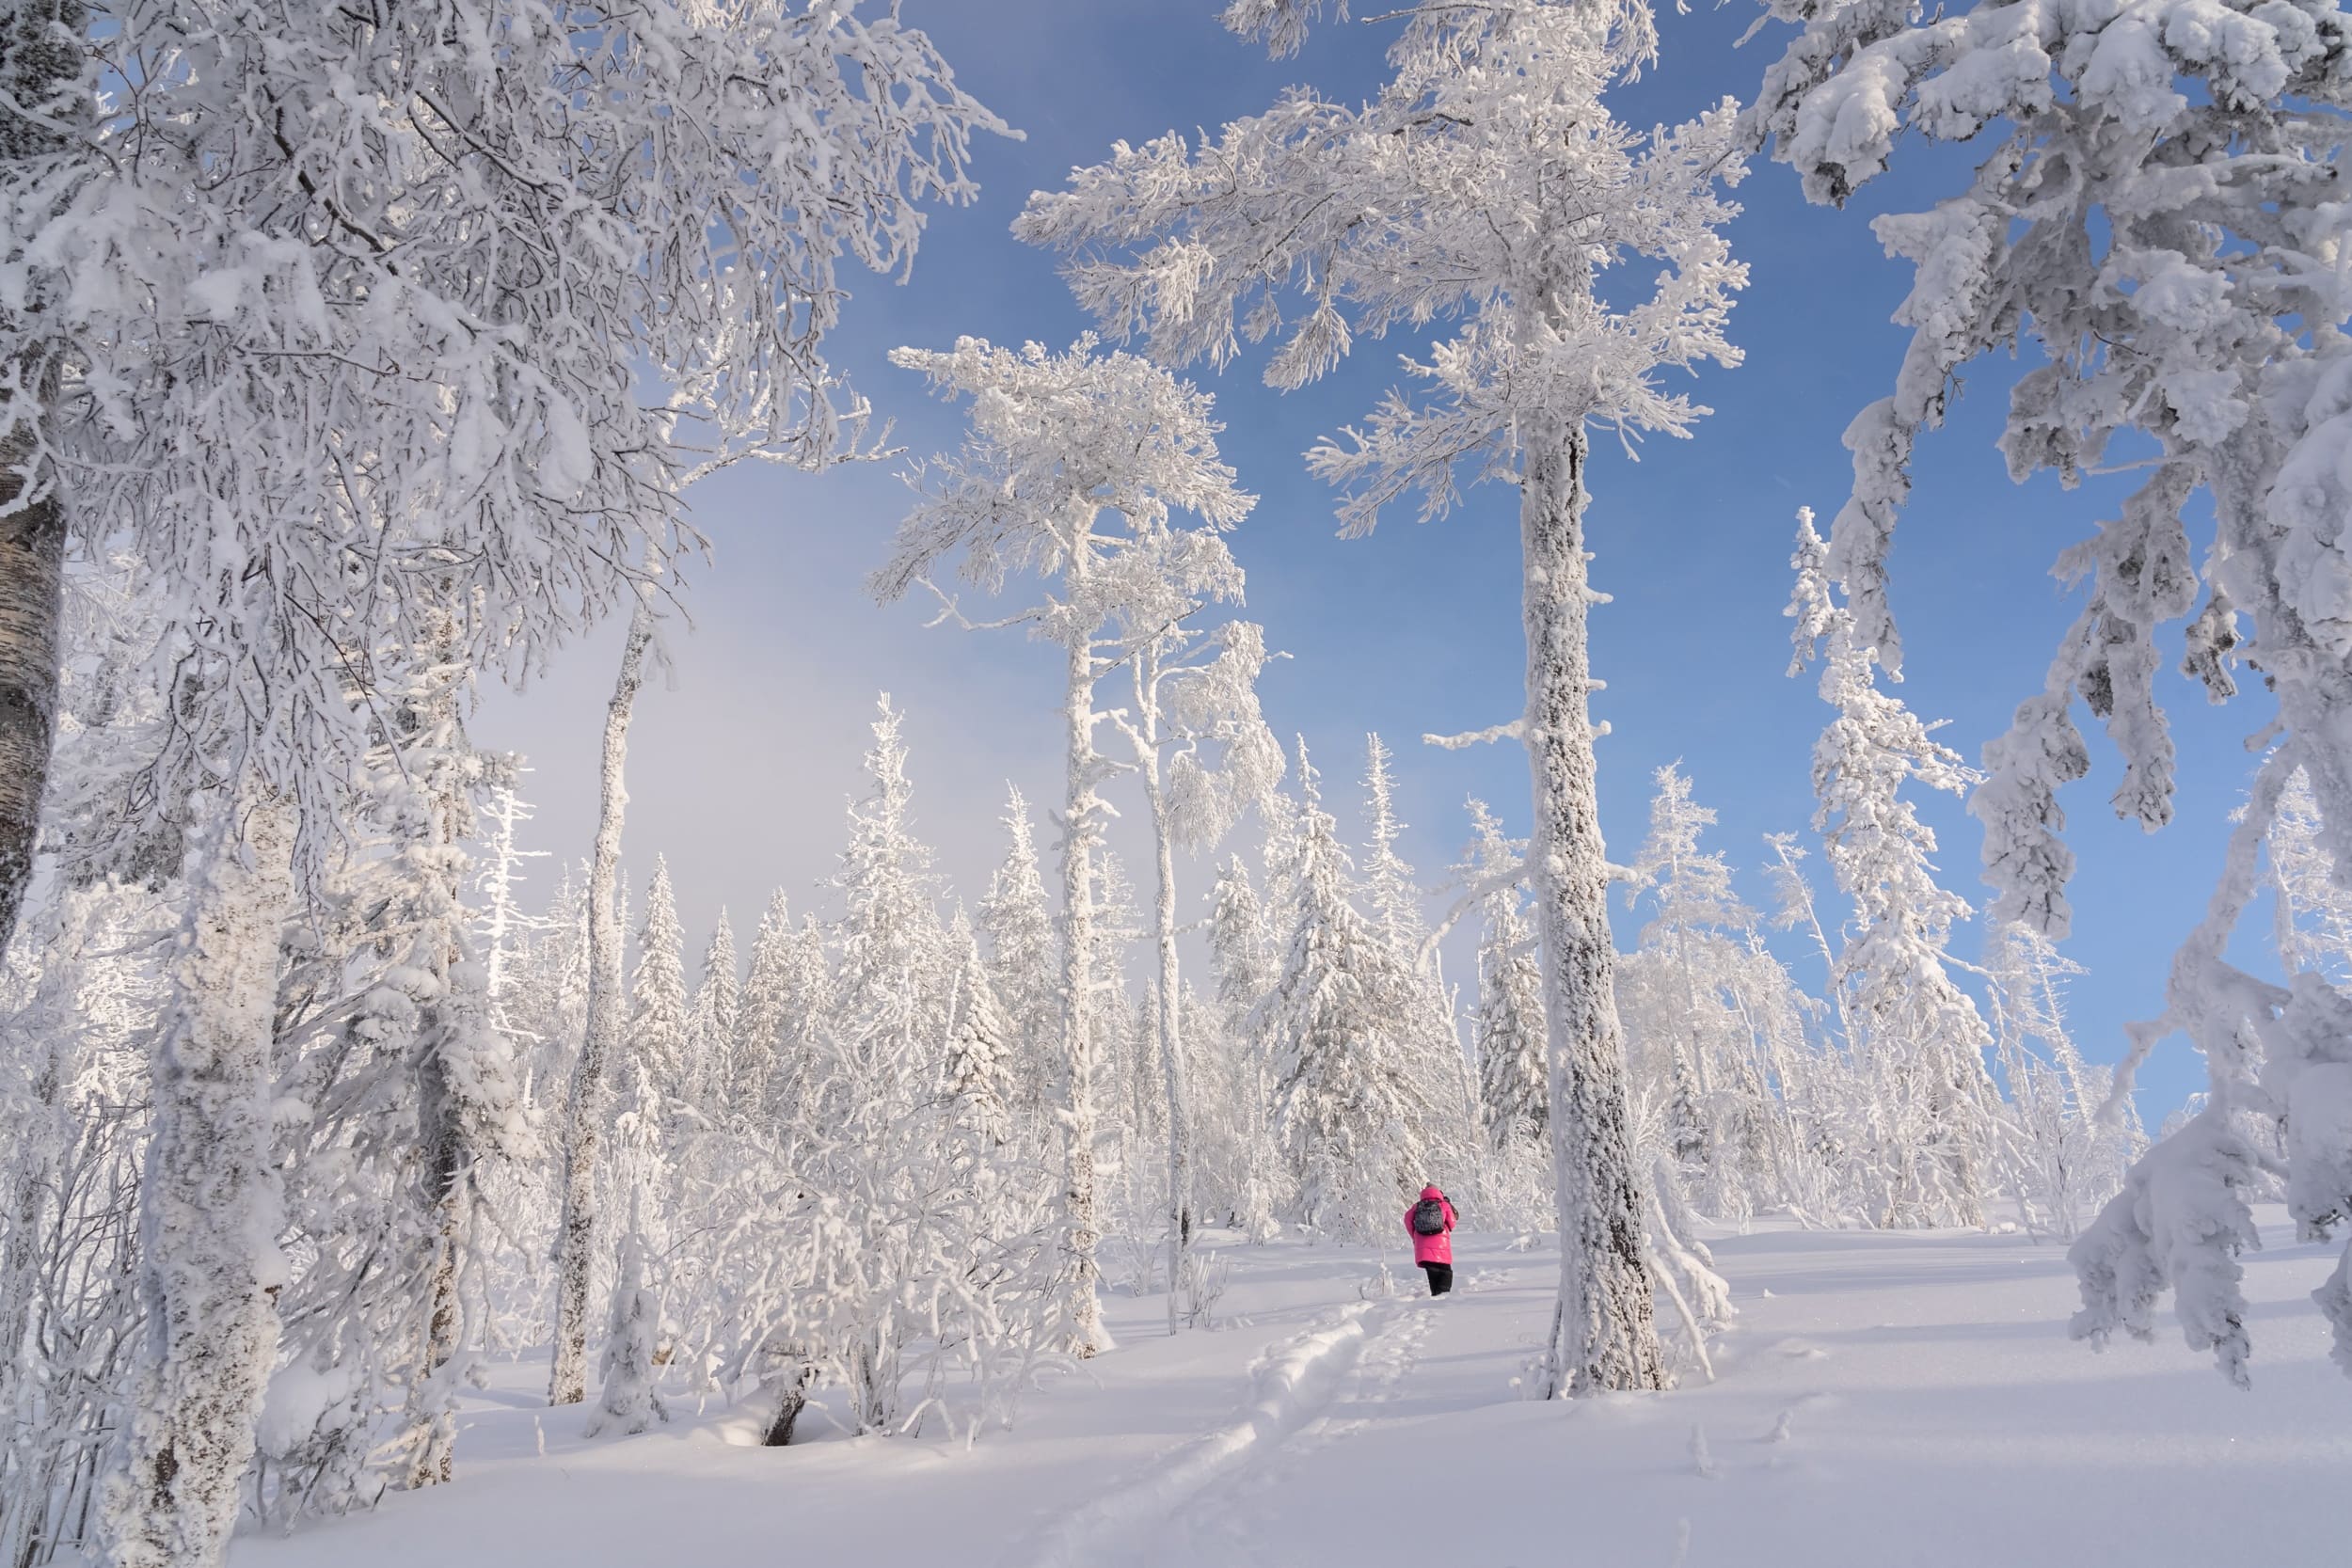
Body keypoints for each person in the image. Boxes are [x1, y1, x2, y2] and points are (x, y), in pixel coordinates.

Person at [1406, 1183, 1457, 1297]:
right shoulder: (1443, 1204)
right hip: (1441, 1245)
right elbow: (1452, 1223)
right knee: (1445, 1272)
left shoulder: (1417, 1207)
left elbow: (1407, 1219)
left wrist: (1414, 1235)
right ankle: (1442, 1298)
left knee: (1432, 1271)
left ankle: (1436, 1297)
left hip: (1423, 1247)